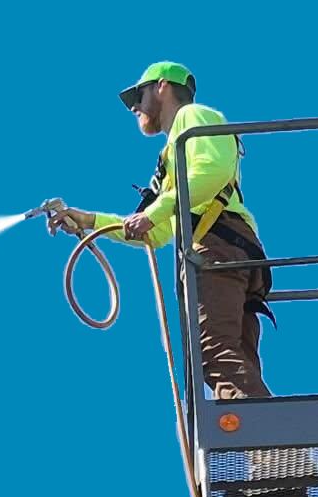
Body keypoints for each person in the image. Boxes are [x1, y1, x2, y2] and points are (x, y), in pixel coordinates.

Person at [53, 61, 273, 399]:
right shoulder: (171, 155)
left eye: (137, 96)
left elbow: (210, 172)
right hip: (225, 247)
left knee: (214, 355)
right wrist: (88, 221)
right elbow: (154, 233)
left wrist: (155, 211)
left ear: (162, 87)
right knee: (233, 361)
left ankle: (269, 444)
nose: (134, 108)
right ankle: (276, 448)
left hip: (218, 246)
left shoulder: (193, 117)